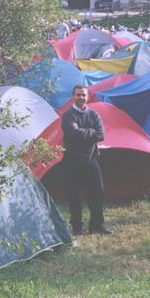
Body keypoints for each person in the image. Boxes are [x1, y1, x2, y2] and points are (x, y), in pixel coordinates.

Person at [61, 85, 111, 235]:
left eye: (83, 95)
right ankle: (76, 227)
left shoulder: (94, 115)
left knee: (97, 194)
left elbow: (101, 135)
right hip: (72, 161)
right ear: (73, 97)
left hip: (91, 160)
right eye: (78, 95)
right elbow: (72, 133)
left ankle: (96, 225)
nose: (81, 98)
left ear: (87, 97)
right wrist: (90, 131)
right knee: (74, 196)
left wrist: (82, 132)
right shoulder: (67, 115)